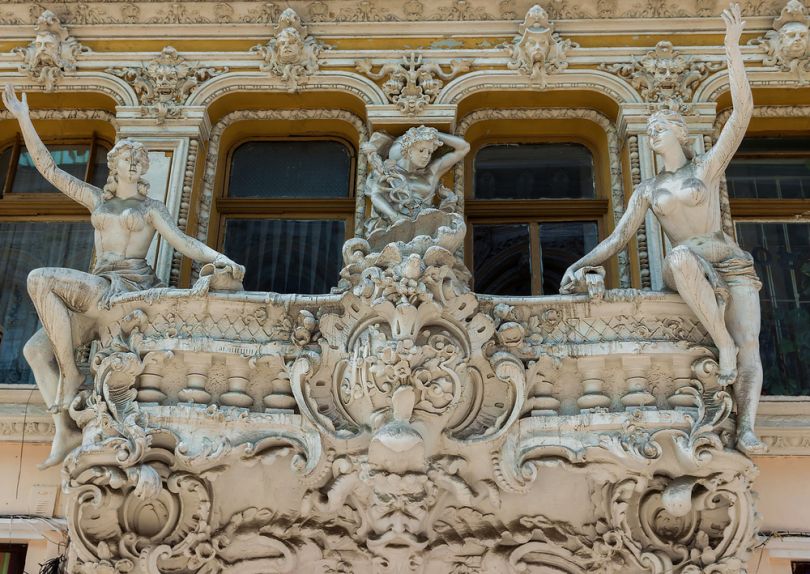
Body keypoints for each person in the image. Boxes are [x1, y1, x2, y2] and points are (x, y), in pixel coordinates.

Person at [2, 84, 245, 468]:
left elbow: (183, 243)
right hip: (96, 286)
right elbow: (47, 168)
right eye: (127, 157)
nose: (133, 162)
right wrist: (23, 118)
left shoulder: (151, 208)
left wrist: (221, 257)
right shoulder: (98, 199)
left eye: (139, 158)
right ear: (114, 164)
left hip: (125, 288)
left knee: (39, 278)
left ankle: (70, 374)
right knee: (34, 349)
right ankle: (64, 429)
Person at [560, 4, 766, 454]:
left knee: (749, 340)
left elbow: (741, 115)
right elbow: (618, 238)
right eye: (649, 128)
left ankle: (747, 427)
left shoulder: (704, 170)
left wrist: (732, 49)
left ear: (679, 133)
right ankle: (720, 345)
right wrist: (578, 262)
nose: (652, 133)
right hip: (685, 266)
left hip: (728, 261)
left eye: (659, 127)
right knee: (678, 257)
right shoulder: (649, 190)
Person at [362, 125, 470, 234]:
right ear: (409, 150)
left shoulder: (431, 172)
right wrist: (395, 216)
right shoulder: (389, 171)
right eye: (421, 150)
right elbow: (376, 196)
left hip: (427, 228)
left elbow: (464, 147)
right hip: (397, 228)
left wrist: (434, 134)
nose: (426, 156)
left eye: (429, 152)